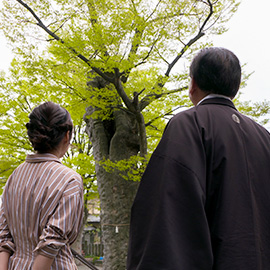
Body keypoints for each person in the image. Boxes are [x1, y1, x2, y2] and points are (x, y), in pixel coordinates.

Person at [127, 47, 270, 270]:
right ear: (236, 87)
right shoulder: (264, 137)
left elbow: (168, 212)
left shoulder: (189, 124)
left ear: (192, 84)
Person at [0, 101, 84, 270]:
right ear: (67, 135)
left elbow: (3, 236)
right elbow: (51, 244)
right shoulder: (70, 180)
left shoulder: (14, 176)